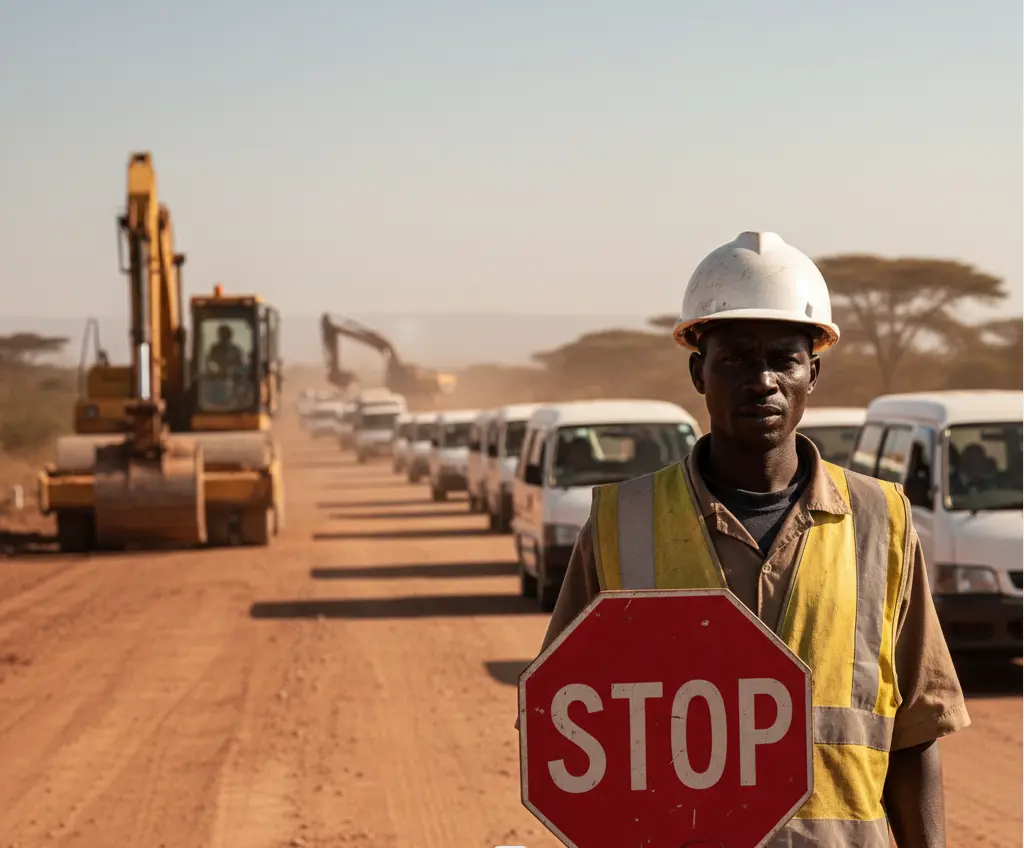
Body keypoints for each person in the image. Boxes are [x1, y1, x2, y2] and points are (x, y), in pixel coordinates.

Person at [533, 232, 970, 847]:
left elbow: (915, 730)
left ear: (811, 372)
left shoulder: (882, 521)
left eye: (783, 359)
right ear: (698, 372)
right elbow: (564, 724)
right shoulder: (619, 524)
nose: (761, 380)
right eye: (734, 358)